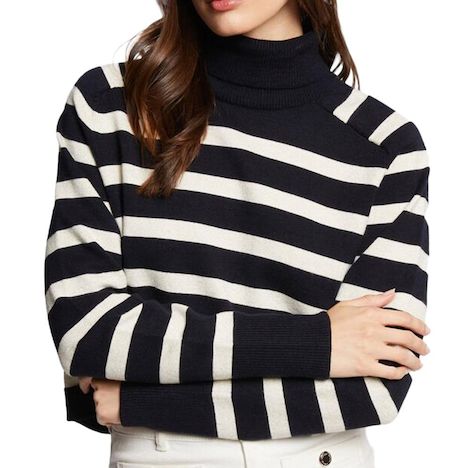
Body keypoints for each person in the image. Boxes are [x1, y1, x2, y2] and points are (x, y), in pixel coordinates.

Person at [44, 0, 431, 466]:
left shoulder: (385, 146)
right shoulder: (110, 104)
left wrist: (143, 401)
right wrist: (319, 343)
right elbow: (87, 332)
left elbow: (374, 389)